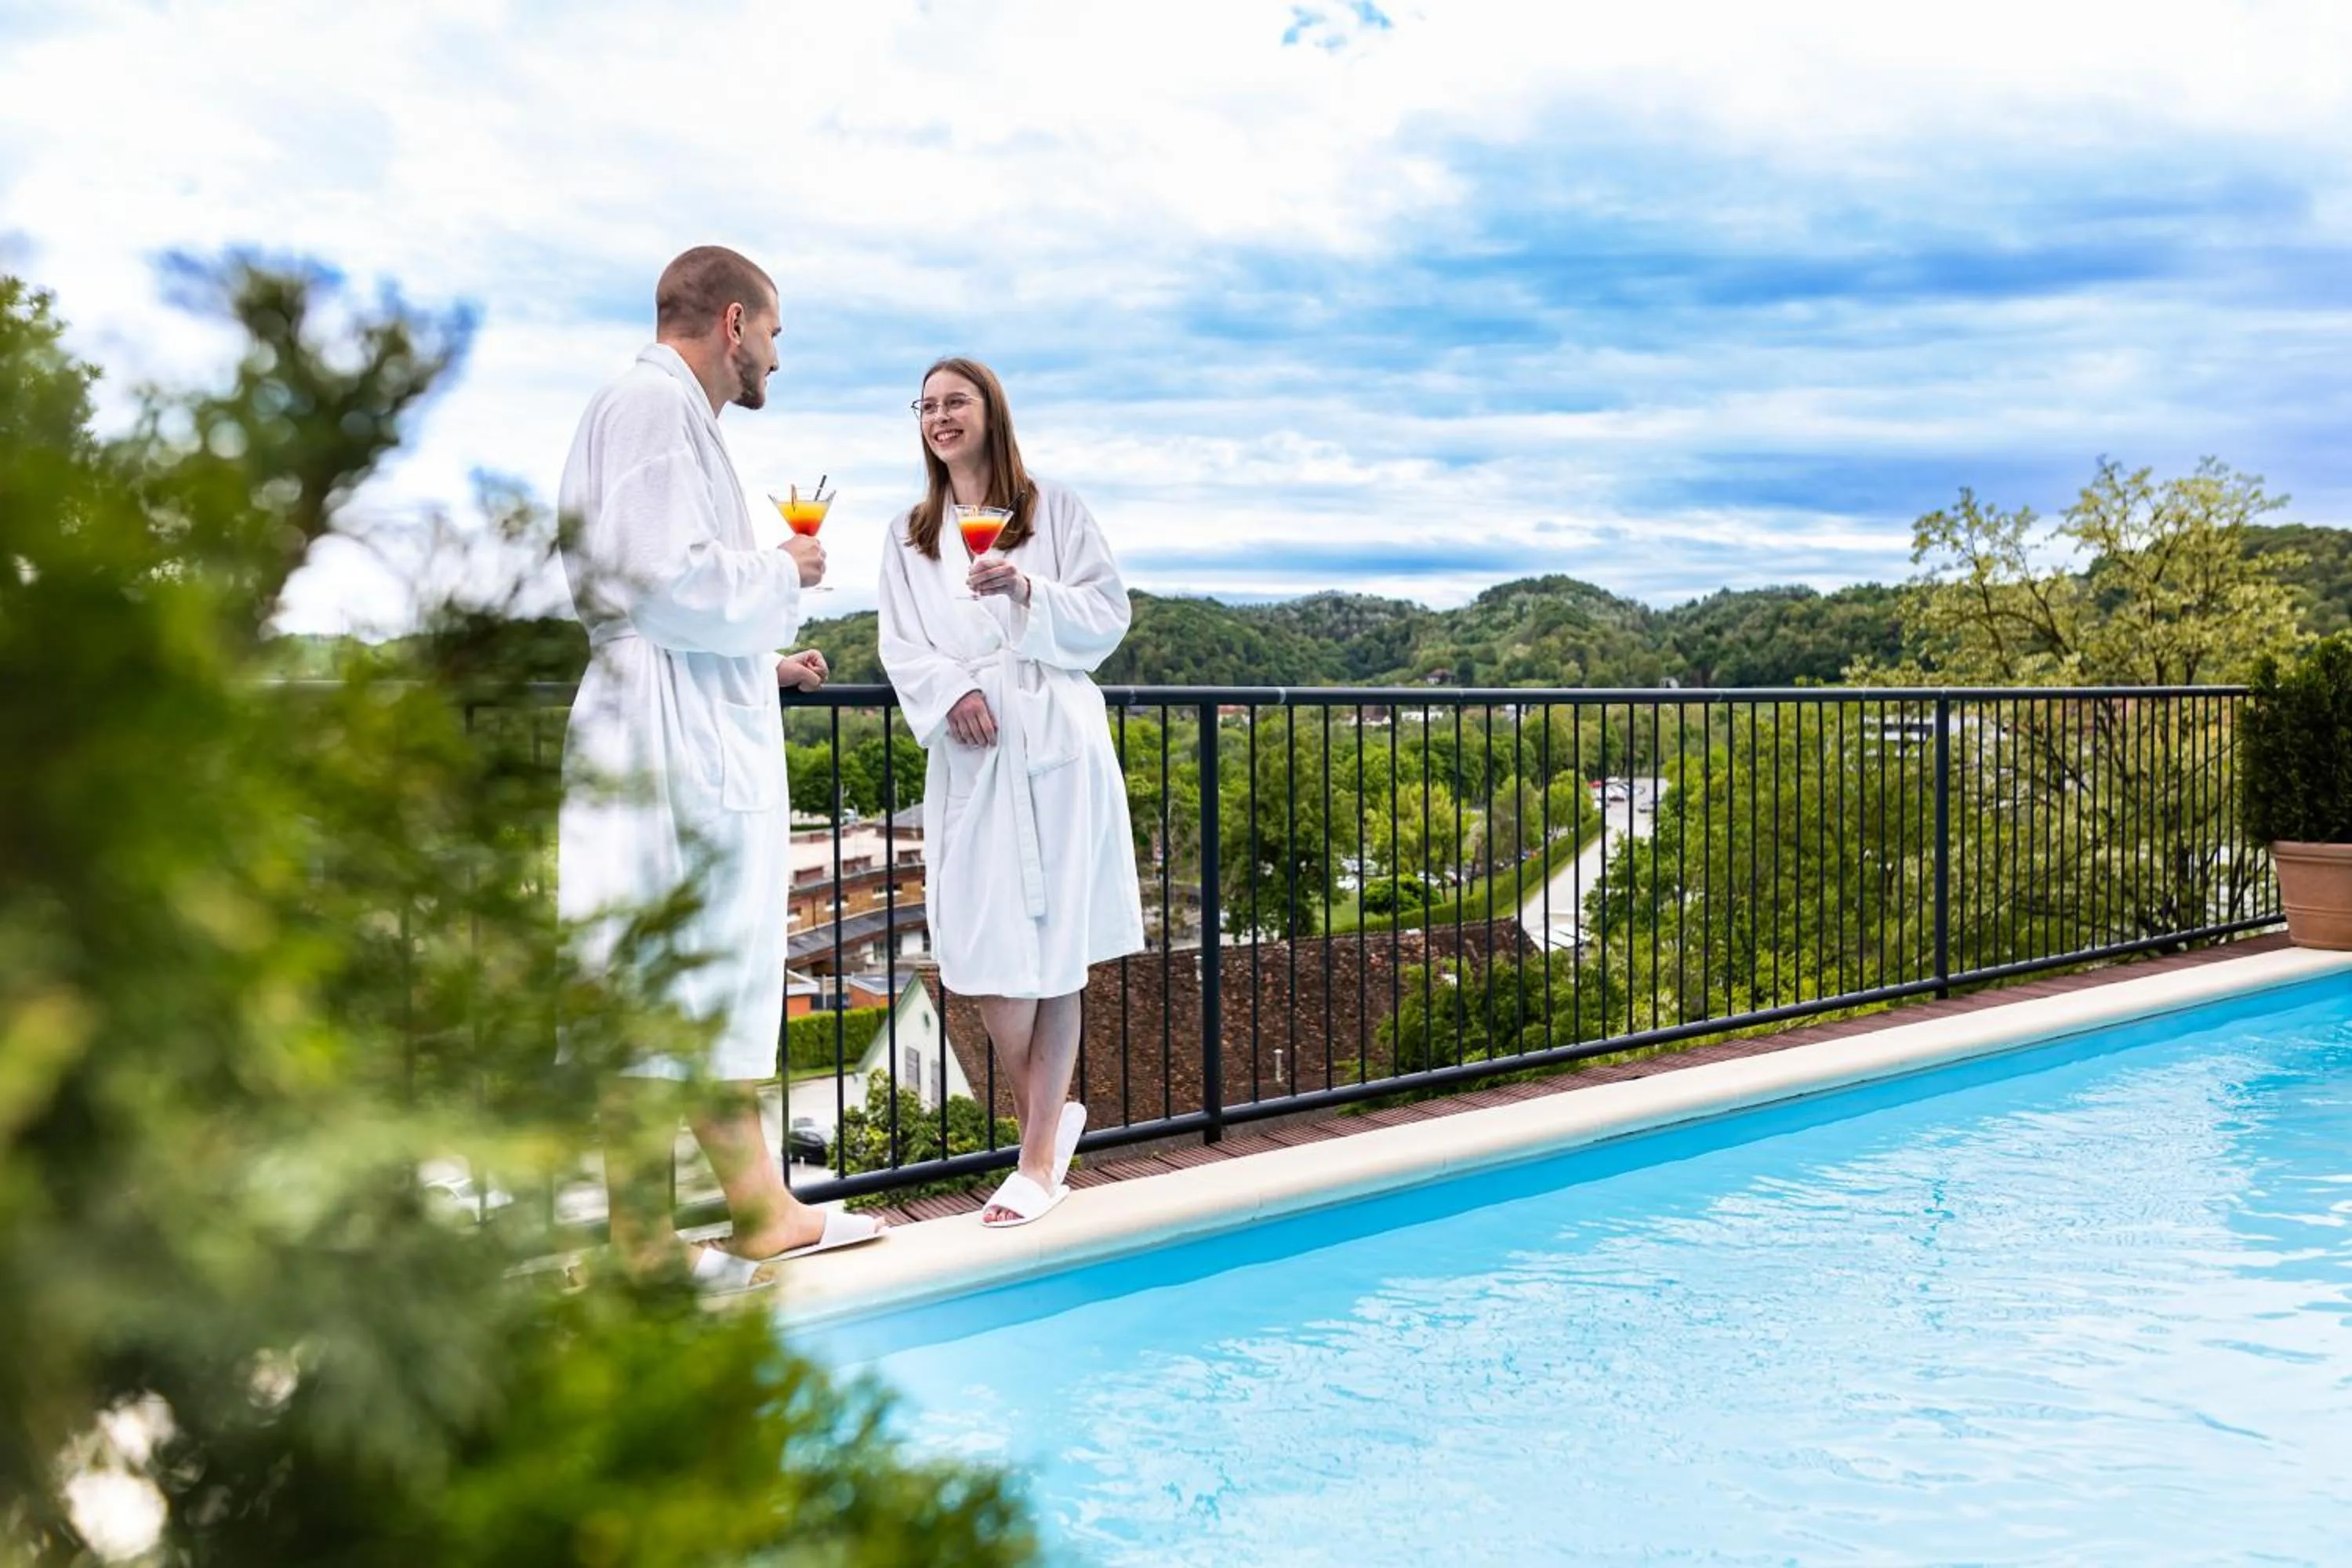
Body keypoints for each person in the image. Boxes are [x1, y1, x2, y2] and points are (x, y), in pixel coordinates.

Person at [557, 245, 884, 1290]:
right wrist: (781, 573)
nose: (777, 362)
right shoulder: (653, 409)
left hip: (674, 713)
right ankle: (656, 1249)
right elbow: (664, 581)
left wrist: (758, 656)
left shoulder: (654, 415)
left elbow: (664, 592)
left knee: (678, 988)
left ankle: (743, 1215)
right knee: (665, 986)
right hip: (664, 743)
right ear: (733, 324)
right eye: (776, 335)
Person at [877, 357, 1146, 1229]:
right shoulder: (909, 533)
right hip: (972, 753)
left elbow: (1108, 615)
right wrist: (949, 691)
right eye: (927, 405)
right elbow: (899, 642)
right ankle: (1050, 1120)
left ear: (992, 411)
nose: (939, 416)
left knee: (1058, 949)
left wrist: (1028, 590)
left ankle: (1036, 1161)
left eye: (956, 401)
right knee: (991, 961)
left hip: (1055, 740)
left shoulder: (1054, 508)